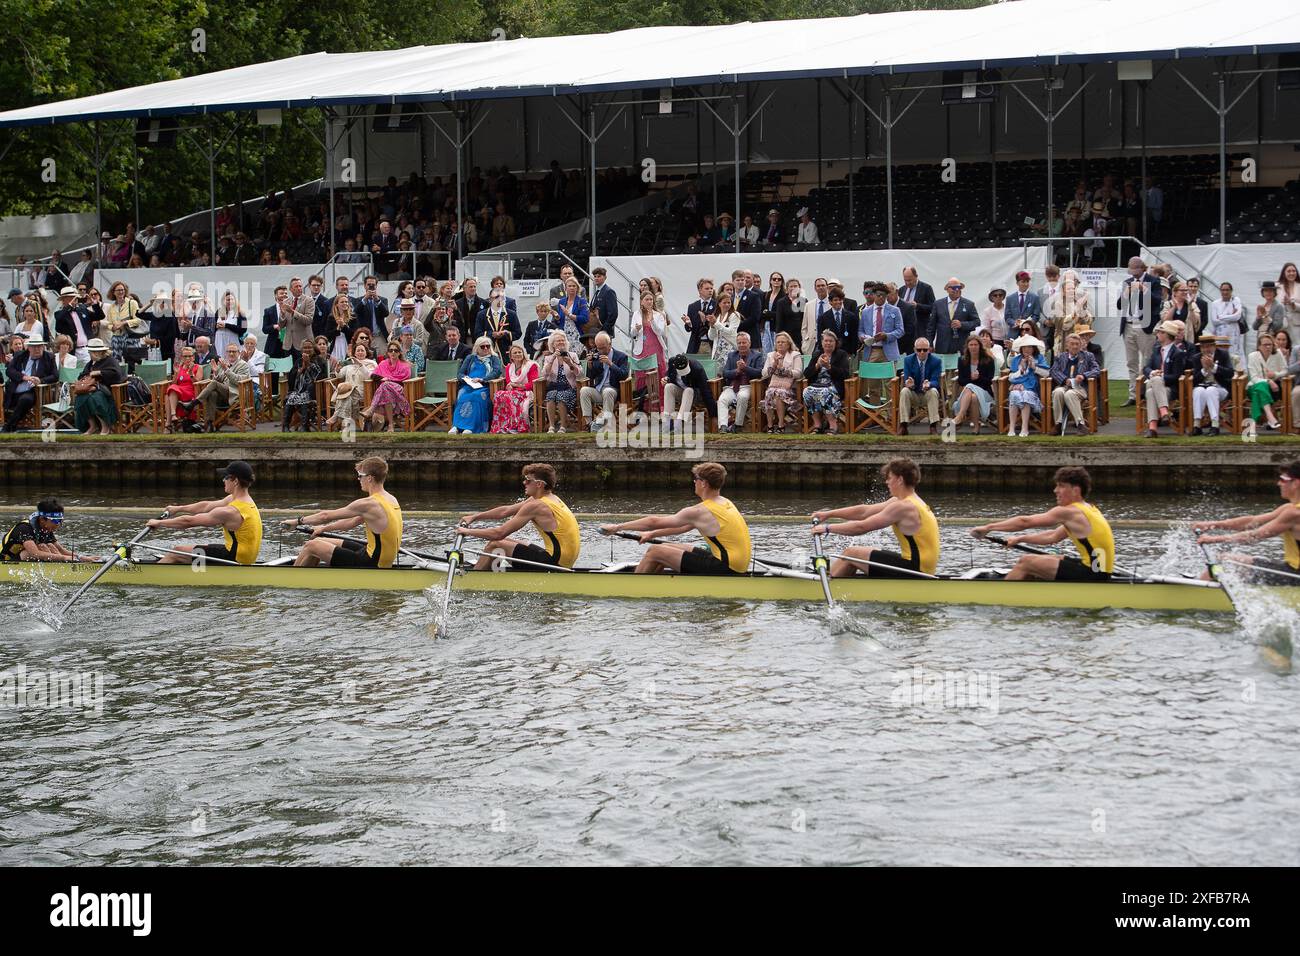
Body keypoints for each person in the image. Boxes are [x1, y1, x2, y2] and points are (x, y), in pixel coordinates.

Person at [600, 461, 751, 575]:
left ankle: (632, 587)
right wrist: (652, 535)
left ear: (703, 483)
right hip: (736, 564)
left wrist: (617, 527)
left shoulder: (700, 511)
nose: (694, 482)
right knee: (666, 547)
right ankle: (652, 581)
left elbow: (654, 522)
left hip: (726, 567)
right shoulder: (725, 502)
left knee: (654, 551)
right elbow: (683, 527)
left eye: (696, 479)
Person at [972, 466, 1115, 581]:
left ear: (1075, 490)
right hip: (1098, 570)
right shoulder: (1089, 510)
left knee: (1026, 561)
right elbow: (1052, 536)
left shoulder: (1070, 512)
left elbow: (1025, 522)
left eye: (1061, 486)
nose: (1055, 490)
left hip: (1094, 573)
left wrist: (988, 527)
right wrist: (1020, 539)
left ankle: (1001, 597)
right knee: (1044, 560)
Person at [811, 457, 939, 578]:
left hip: (915, 570)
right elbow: (864, 512)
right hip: (921, 567)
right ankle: (837, 580)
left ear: (900, 480)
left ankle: (820, 588)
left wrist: (827, 528)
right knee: (866, 552)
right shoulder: (910, 501)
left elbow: (862, 527)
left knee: (851, 553)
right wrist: (828, 514)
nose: (887, 482)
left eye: (889, 478)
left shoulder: (904, 506)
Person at [459, 463, 581, 570]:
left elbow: (499, 533)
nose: (524, 482)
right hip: (562, 560)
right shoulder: (550, 498)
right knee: (503, 542)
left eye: (528, 480)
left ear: (539, 484)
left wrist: (467, 531)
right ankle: (488, 570)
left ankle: (475, 579)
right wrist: (474, 517)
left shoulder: (537, 506)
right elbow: (505, 511)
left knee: (495, 544)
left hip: (554, 563)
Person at [287, 457, 403, 568]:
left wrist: (297, 521)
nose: (358, 479)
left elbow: (325, 516)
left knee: (311, 546)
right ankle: (307, 576)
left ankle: (290, 580)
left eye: (360, 475)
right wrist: (323, 529)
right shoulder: (391, 499)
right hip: (379, 557)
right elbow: (351, 522)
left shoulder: (369, 504)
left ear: (369, 478)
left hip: (371, 562)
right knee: (318, 541)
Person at [1196, 460, 1300, 583]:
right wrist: (1213, 525)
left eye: (1283, 479)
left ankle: (1196, 592)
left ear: (1296, 483)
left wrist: (1214, 539)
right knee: (1240, 566)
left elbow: (1255, 535)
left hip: (1295, 574)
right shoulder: (1289, 508)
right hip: (1291, 569)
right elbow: (1252, 521)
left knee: (1225, 560)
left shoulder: (1294, 513)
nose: (1278, 483)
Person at [146, 461, 263, 565]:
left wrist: (158, 523)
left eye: (226, 477)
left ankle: (151, 576)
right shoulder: (244, 501)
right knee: (205, 547)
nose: (223, 480)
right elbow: (206, 506)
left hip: (235, 558)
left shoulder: (230, 511)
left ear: (236, 481)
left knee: (177, 551)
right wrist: (178, 508)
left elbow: (189, 522)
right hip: (243, 555)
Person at [1118, 257, 1163, 403]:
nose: (1134, 273)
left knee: (1146, 361)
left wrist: (1144, 289)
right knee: (1131, 361)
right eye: (1131, 270)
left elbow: (1157, 301)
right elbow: (1120, 305)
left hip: (1145, 325)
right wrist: (1127, 293)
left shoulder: (1153, 280)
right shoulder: (1127, 282)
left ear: (1142, 268)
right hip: (1129, 324)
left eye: (1136, 269)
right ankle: (1133, 395)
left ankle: (1143, 393)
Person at [1, 498, 97, 562]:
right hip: (6, 560)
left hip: (20, 557)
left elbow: (62, 550)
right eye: (56, 521)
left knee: (51, 545)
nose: (58, 525)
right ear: (43, 519)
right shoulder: (24, 528)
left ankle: (65, 566)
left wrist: (82, 558)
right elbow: (35, 554)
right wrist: (64, 558)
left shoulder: (46, 528)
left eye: (60, 521)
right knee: (42, 546)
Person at [1142, 320, 1187, 438]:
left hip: (1168, 388)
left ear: (1166, 335)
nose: (1157, 334)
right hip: (1155, 383)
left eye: (1160, 332)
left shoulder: (1177, 353)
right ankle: (1164, 412)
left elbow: (1176, 376)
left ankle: (1152, 428)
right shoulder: (1156, 350)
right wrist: (1152, 372)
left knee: (1150, 392)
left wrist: (1160, 376)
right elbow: (1145, 368)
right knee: (1155, 380)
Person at [3, 334, 57, 432]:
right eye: (34, 347)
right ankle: (11, 426)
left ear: (43, 346)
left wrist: (41, 380)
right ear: (29, 348)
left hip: (33, 390)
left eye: (40, 346)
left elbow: (55, 376)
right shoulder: (20, 355)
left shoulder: (49, 357)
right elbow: (9, 371)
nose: (37, 349)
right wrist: (24, 377)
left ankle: (9, 426)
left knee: (25, 400)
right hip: (15, 390)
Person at [1049, 332, 1101, 434]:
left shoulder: (1088, 356)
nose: (1075, 346)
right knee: (1057, 392)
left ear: (1080, 345)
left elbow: (1097, 370)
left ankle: (1080, 425)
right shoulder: (1061, 356)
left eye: (1077, 344)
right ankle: (1058, 424)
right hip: (1064, 385)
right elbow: (1053, 371)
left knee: (1070, 394)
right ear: (1067, 345)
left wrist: (1084, 376)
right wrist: (1064, 380)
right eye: (1072, 344)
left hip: (1080, 387)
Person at [448, 336, 502, 434]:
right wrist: (467, 380)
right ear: (477, 348)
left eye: (488, 346)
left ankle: (471, 427)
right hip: (469, 385)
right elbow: (460, 374)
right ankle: (456, 426)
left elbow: (497, 372)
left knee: (476, 397)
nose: (486, 348)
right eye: (482, 347)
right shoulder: (470, 358)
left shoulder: (494, 358)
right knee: (462, 397)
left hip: (485, 386)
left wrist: (482, 379)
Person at [802, 330, 850, 434]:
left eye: (831, 341)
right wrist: (817, 365)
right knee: (807, 392)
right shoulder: (817, 354)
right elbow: (806, 374)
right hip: (817, 385)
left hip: (834, 386)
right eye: (826, 341)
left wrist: (829, 367)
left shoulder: (841, 354)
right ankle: (818, 425)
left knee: (826, 393)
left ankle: (833, 425)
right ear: (822, 343)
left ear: (835, 343)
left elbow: (845, 374)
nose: (828, 343)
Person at [196, 341, 251, 432]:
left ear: (238, 353)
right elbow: (219, 380)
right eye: (229, 351)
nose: (231, 353)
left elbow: (239, 381)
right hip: (223, 394)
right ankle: (210, 424)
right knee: (212, 394)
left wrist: (226, 369)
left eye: (234, 351)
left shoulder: (243, 365)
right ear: (226, 353)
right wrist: (216, 372)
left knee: (214, 384)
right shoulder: (223, 363)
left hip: (236, 394)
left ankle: (195, 402)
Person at [72, 338, 122, 435]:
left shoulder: (110, 361)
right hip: (90, 389)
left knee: (94, 398)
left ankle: (105, 426)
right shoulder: (90, 363)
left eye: (91, 352)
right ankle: (93, 426)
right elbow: (82, 375)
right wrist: (87, 376)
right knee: (81, 398)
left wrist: (99, 373)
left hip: (106, 390)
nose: (89, 354)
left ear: (97, 353)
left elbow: (116, 374)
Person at [579, 332, 628, 430]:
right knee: (584, 390)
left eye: (603, 348)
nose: (600, 351)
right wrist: (590, 365)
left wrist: (610, 364)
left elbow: (623, 375)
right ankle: (589, 424)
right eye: (598, 348)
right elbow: (591, 376)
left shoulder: (621, 356)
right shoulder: (597, 356)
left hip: (613, 390)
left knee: (607, 391)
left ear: (610, 344)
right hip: (599, 390)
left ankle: (604, 424)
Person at [361, 340, 412, 433]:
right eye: (391, 350)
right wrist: (382, 378)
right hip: (386, 395)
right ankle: (391, 425)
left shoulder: (405, 365)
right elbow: (373, 375)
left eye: (396, 350)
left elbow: (405, 378)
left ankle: (371, 410)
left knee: (385, 385)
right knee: (386, 391)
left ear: (399, 352)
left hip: (399, 392)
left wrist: (388, 380)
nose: (393, 352)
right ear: (388, 352)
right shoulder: (383, 364)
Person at [718, 332, 764, 432]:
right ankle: (723, 426)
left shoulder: (757, 355)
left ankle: (737, 425)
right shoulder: (732, 355)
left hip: (748, 386)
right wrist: (737, 371)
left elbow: (760, 373)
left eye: (744, 342)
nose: (741, 345)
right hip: (732, 387)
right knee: (722, 399)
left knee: (742, 397)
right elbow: (725, 373)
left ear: (749, 343)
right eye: (739, 343)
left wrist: (745, 368)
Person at [630, 289, 668, 413]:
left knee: (658, 375)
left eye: (651, 299)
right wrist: (636, 329)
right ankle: (644, 405)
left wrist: (651, 320)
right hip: (642, 349)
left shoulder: (659, 315)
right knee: (642, 377)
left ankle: (660, 405)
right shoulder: (636, 314)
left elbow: (660, 332)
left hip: (655, 348)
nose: (649, 301)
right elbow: (632, 333)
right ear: (641, 301)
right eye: (647, 299)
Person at [1189, 333, 1234, 436]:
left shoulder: (1223, 355)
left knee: (1211, 390)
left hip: (1220, 388)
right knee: (1198, 391)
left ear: (1214, 346)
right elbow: (1194, 380)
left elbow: (1230, 373)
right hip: (1202, 387)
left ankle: (1215, 425)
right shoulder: (1196, 358)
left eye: (1209, 346)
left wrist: (1214, 367)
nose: (1206, 350)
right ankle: (1197, 425)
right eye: (1203, 347)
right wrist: (1204, 369)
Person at [1005, 334, 1049, 437]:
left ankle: (1024, 428)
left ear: (1034, 348)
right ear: (1021, 348)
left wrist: (1034, 367)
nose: (1027, 349)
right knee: (1014, 394)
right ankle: (1011, 428)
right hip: (1017, 387)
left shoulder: (1039, 358)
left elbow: (1047, 373)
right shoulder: (1016, 359)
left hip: (1033, 389)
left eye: (1029, 347)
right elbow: (1011, 377)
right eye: (1024, 347)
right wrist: (1020, 371)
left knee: (1026, 395)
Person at [327, 340, 376, 431]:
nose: (360, 352)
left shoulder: (371, 363)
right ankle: (347, 425)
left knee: (346, 395)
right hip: (347, 392)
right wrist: (337, 370)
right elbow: (340, 375)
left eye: (362, 350)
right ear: (354, 353)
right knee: (348, 398)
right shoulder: (349, 363)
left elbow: (369, 376)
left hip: (363, 391)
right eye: (358, 351)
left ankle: (337, 416)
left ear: (366, 352)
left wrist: (360, 365)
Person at [760, 331, 803, 433]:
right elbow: (764, 373)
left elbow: (799, 373)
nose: (780, 344)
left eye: (783, 342)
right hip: (773, 387)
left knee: (778, 394)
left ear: (789, 344)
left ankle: (781, 424)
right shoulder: (771, 355)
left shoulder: (795, 355)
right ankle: (770, 426)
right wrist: (774, 365)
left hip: (791, 388)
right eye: (778, 342)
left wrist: (783, 369)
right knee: (770, 393)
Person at [898, 337, 943, 435]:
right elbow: (907, 377)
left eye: (925, 350)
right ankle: (903, 425)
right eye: (919, 350)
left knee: (933, 391)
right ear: (914, 350)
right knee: (904, 391)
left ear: (929, 350)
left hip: (927, 393)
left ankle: (933, 426)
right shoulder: (908, 360)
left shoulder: (936, 361)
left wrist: (929, 384)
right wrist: (910, 383)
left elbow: (936, 381)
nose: (922, 352)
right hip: (914, 392)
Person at [490, 344, 539, 434]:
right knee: (498, 394)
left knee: (511, 396)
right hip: (514, 392)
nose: (517, 354)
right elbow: (509, 382)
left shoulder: (531, 365)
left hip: (527, 392)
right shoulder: (509, 367)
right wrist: (510, 386)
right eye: (515, 353)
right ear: (511, 356)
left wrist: (518, 386)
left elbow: (532, 383)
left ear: (523, 353)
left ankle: (516, 426)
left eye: (519, 352)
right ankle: (502, 426)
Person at [953, 334, 995, 434]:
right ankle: (976, 428)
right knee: (973, 397)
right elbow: (961, 381)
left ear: (980, 346)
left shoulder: (988, 360)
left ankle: (960, 415)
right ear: (967, 347)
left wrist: (978, 377)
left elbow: (989, 380)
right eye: (971, 345)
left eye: (975, 345)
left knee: (970, 386)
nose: (973, 347)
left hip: (985, 392)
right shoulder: (962, 360)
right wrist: (971, 378)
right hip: (968, 395)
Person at [927, 277, 978, 356]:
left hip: (961, 347)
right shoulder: (938, 304)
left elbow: (977, 322)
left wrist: (962, 324)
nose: (957, 290)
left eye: (959, 287)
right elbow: (931, 326)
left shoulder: (969, 304)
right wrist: (930, 343)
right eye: (954, 288)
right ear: (947, 289)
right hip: (942, 347)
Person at [1246, 331, 1285, 430]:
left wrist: (1276, 374)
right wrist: (1268, 381)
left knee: (1257, 393)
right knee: (1261, 386)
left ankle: (1259, 421)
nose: (1268, 347)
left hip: (1271, 389)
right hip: (1253, 386)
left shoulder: (1278, 354)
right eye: (1265, 345)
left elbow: (1286, 370)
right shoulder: (1252, 356)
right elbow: (1254, 378)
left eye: (1270, 344)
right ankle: (1270, 417)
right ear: (1259, 346)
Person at [282, 344, 326, 432]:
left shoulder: (319, 360)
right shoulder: (298, 361)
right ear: (302, 350)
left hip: (313, 391)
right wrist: (301, 370)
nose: (307, 349)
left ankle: (304, 425)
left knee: (304, 397)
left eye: (309, 347)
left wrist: (308, 363)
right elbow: (291, 377)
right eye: (305, 348)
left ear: (313, 349)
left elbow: (320, 375)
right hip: (298, 390)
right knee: (291, 398)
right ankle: (285, 426)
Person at [163, 346, 203, 432]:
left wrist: (192, 374)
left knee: (169, 393)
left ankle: (168, 423)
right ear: (181, 357)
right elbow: (173, 384)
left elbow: (197, 383)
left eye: (190, 356)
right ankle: (172, 417)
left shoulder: (198, 367)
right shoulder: (179, 368)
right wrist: (176, 373)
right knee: (168, 393)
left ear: (193, 357)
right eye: (185, 356)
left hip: (191, 392)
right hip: (178, 393)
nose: (188, 358)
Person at [1208, 280, 1245, 367]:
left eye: (1227, 290)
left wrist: (1221, 316)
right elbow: (1214, 320)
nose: (1225, 292)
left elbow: (1237, 316)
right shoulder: (1215, 303)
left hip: (1234, 332)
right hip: (1221, 333)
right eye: (1223, 290)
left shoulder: (1236, 300)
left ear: (1231, 291)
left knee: (1235, 353)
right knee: (1222, 353)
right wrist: (1230, 316)